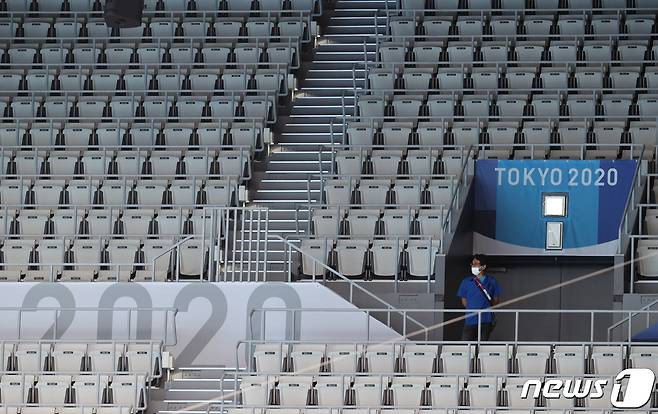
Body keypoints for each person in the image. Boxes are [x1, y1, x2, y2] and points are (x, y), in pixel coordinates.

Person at [457, 254, 500, 341]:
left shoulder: (492, 281)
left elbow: (496, 300)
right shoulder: (466, 282)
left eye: (476, 264)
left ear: (483, 266)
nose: (473, 266)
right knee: (466, 346)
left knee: (482, 346)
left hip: (486, 319)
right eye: (472, 264)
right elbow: (464, 301)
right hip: (470, 319)